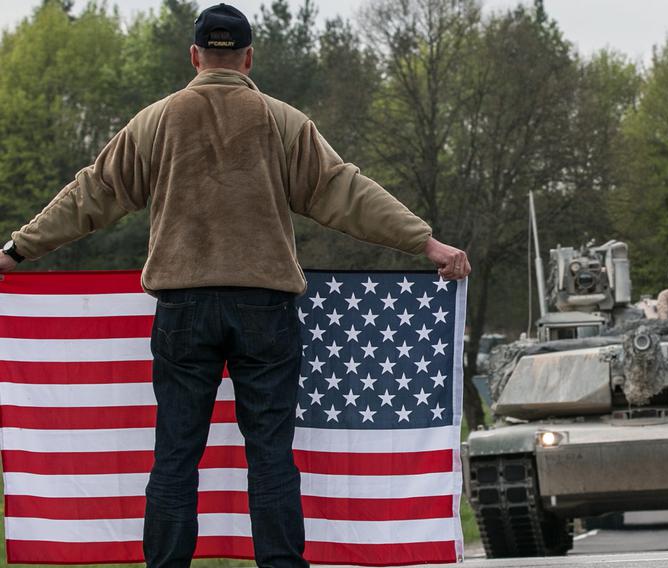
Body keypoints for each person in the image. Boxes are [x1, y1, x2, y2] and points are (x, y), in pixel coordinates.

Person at [0, 4, 470, 567]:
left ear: (195, 57)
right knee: (270, 454)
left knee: (176, 454)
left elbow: (92, 194)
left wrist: (16, 250)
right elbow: (348, 193)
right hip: (265, 309)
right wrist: (427, 242)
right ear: (248, 58)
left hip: (183, 307)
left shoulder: (157, 119)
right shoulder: (282, 121)